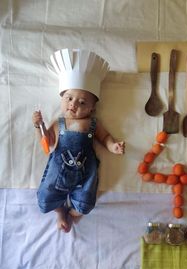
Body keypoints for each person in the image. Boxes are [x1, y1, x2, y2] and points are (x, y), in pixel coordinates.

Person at [32, 48, 125, 233]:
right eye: (69, 98)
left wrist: (113, 146)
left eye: (82, 102)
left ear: (92, 109)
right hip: (58, 170)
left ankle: (73, 214)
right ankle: (59, 212)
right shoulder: (58, 123)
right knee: (47, 194)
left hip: (85, 174)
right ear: (62, 99)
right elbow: (47, 142)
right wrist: (38, 126)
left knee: (85, 201)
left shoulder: (92, 123)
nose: (74, 104)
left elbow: (104, 137)